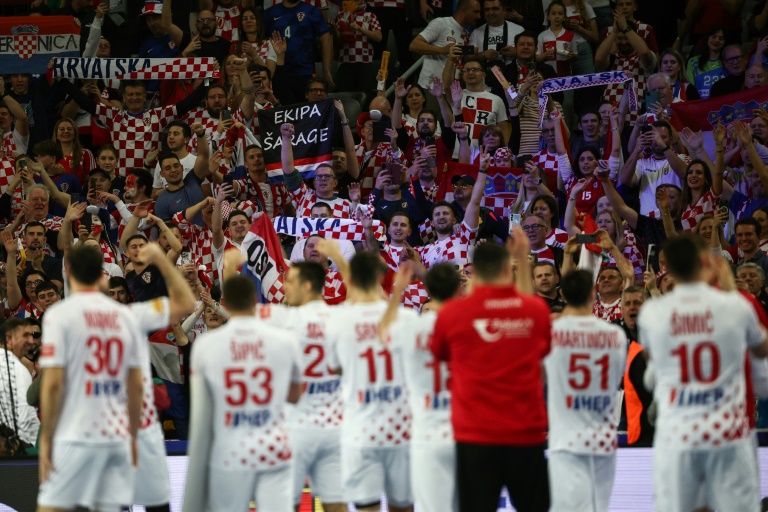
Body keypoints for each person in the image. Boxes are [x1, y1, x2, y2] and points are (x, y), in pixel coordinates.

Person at [638, 235, 768, 512]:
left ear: (668, 268)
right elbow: (762, 351)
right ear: (706, 261)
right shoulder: (736, 306)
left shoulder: (652, 312)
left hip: (677, 434)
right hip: (728, 433)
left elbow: (652, 363)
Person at [431, 238, 550, 512]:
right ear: (508, 269)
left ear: (473, 273)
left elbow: (441, 356)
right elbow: (542, 351)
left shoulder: (453, 314)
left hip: (475, 436)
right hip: (526, 434)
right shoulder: (534, 310)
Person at [37, 245, 144, 511]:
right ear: (102, 273)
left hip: (75, 433)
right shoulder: (125, 317)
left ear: (69, 271)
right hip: (115, 435)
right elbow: (136, 386)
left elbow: (51, 385)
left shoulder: (59, 315)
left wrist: (46, 440)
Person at [183, 274, 301, 512]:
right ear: (255, 299)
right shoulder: (284, 341)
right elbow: (295, 397)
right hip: (274, 450)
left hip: (230, 452)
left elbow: (202, 419)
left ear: (229, 305)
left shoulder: (205, 347)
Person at [325, 249, 413, 512]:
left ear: (351, 279)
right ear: (380, 275)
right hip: (400, 428)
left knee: (367, 507)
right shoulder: (406, 318)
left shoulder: (338, 321)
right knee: (403, 507)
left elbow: (336, 369)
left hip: (360, 428)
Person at [257, 261, 346, 512]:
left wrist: (230, 270)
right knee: (336, 504)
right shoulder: (341, 318)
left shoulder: (286, 318)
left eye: (291, 282)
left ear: (307, 286)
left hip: (295, 429)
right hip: (334, 429)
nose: (285, 287)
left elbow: (240, 312)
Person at [380, 262, 462, 512]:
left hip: (425, 434)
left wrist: (398, 294)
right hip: (466, 432)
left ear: (429, 290)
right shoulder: (470, 325)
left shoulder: (411, 328)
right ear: (459, 289)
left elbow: (382, 333)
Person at [546, 269, 627, 512]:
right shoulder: (615, 335)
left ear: (562, 294)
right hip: (603, 439)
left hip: (567, 441)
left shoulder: (552, 333)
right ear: (593, 294)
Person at [410, 0, 482, 91]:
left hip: (451, 91)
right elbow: (414, 45)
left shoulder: (467, 35)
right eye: (475, 12)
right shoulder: (441, 23)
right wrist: (442, 50)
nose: (479, 16)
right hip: (431, 87)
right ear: (463, 10)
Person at [0, 317, 39, 447]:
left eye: (32, 336)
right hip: (14, 451)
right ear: (8, 340)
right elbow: (23, 416)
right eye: (25, 336)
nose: (31, 341)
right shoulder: (18, 370)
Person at [684, 25, 726, 99]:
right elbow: (690, 89)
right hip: (699, 106)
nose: (716, 40)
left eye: (721, 38)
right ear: (707, 38)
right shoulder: (693, 62)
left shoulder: (727, 62)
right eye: (713, 36)